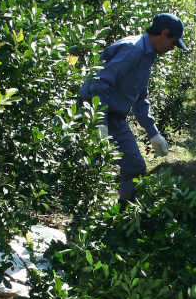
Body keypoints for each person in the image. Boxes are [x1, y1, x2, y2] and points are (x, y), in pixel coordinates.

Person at [79, 13, 187, 206]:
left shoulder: (148, 55)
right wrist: (99, 122)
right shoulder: (134, 49)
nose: (172, 49)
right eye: (173, 43)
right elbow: (100, 82)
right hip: (94, 111)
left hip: (115, 117)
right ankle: (85, 218)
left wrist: (153, 133)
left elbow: (140, 98)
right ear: (164, 33)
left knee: (135, 167)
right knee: (87, 167)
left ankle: (122, 218)